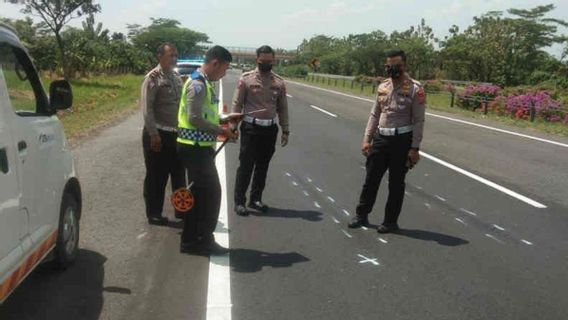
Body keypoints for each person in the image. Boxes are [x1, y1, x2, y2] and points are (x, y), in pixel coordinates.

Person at [349, 49, 426, 234]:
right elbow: (375, 114)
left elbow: (419, 120)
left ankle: (390, 221)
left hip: (402, 140)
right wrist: (367, 138)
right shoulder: (383, 86)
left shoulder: (416, 88)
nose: (392, 69)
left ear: (404, 65)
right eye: (389, 65)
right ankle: (361, 215)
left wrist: (415, 148)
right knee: (371, 179)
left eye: (396, 65)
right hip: (381, 138)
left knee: (396, 183)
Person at [177, 45, 242, 255]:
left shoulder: (206, 82)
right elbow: (194, 118)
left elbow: (205, 115)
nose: (224, 73)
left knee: (200, 195)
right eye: (224, 69)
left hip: (200, 147)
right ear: (215, 63)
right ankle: (200, 239)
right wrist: (222, 132)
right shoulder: (197, 83)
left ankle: (192, 239)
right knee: (211, 195)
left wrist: (226, 118)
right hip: (194, 148)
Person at [231, 45, 290, 216]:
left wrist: (285, 130)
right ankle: (239, 201)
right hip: (251, 128)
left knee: (262, 166)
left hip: (270, 129)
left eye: (270, 61)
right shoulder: (246, 79)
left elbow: (283, 108)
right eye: (263, 61)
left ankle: (255, 199)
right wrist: (233, 127)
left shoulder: (279, 82)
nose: (267, 63)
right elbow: (237, 104)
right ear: (257, 59)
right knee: (246, 166)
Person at [141, 42, 186, 226]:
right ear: (160, 56)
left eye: (176, 55)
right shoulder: (153, 77)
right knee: (156, 177)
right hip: (158, 134)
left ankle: (181, 211)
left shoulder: (176, 77)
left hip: (176, 134)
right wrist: (154, 134)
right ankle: (154, 213)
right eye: (170, 55)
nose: (174, 59)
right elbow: (147, 108)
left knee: (178, 175)